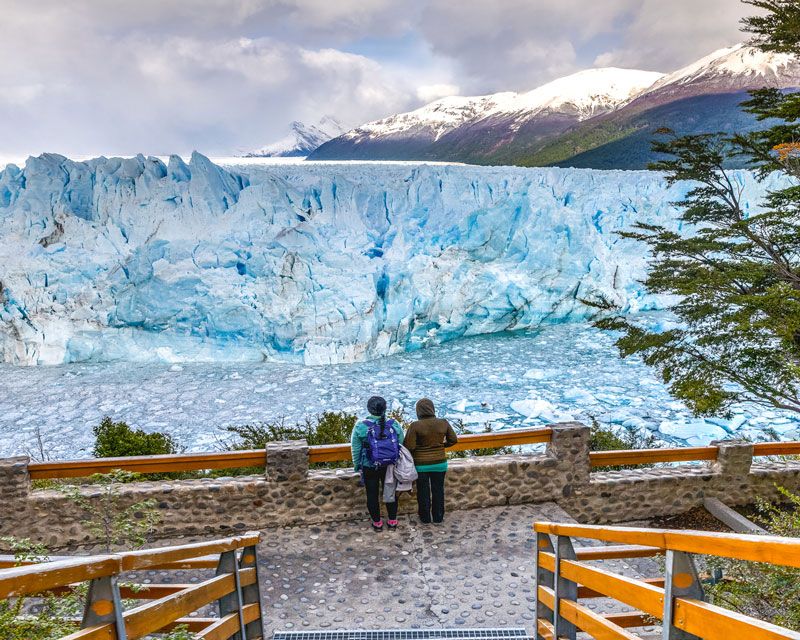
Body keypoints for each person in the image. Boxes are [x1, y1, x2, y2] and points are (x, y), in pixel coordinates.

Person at [350, 395, 405, 531]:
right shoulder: (394, 424)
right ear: (385, 409)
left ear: (369, 409)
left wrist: (357, 465)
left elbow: (356, 448)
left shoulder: (360, 426)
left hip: (369, 465)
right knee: (390, 493)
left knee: (372, 494)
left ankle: (377, 523)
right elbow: (401, 444)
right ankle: (392, 521)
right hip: (390, 465)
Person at [404, 398, 458, 524]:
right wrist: (441, 446)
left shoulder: (415, 426)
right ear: (432, 408)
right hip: (440, 463)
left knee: (423, 492)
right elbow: (453, 439)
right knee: (438, 490)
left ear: (418, 411)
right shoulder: (443, 423)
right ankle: (438, 517)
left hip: (421, 465)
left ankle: (425, 518)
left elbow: (410, 446)